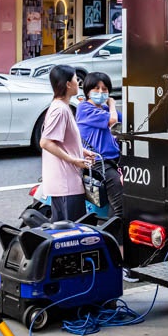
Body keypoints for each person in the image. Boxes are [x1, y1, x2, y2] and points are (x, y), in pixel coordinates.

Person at [39, 65, 96, 222]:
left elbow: (62, 141)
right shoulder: (60, 110)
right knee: (71, 235)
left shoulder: (62, 107)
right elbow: (46, 142)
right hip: (66, 184)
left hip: (65, 183)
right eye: (75, 79)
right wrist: (74, 160)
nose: (78, 82)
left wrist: (82, 152)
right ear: (67, 84)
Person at [76, 71, 124, 241]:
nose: (101, 92)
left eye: (105, 89)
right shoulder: (85, 108)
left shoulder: (102, 109)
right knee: (120, 207)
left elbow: (124, 121)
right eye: (96, 88)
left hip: (113, 161)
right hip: (99, 164)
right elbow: (113, 120)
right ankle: (114, 246)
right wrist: (112, 104)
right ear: (87, 90)